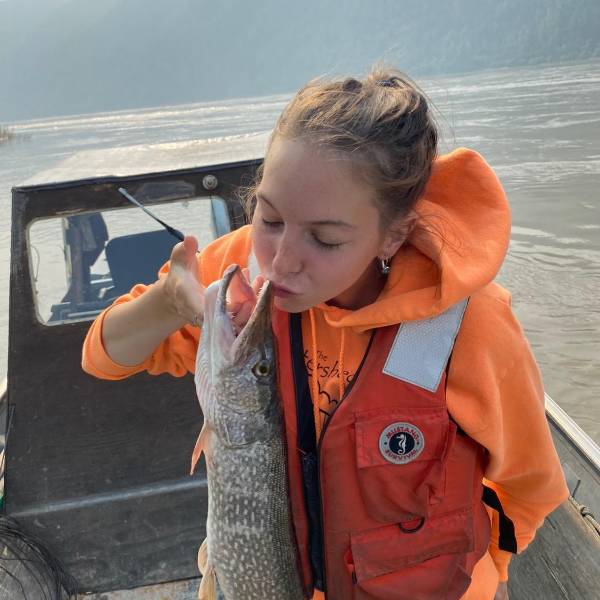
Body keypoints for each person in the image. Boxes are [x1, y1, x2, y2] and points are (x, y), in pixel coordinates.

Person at [82, 67, 569, 600]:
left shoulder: (468, 324)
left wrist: (488, 573)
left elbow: (530, 486)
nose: (282, 262)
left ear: (393, 235)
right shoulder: (241, 278)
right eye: (269, 219)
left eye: (326, 239)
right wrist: (168, 301)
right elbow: (104, 356)